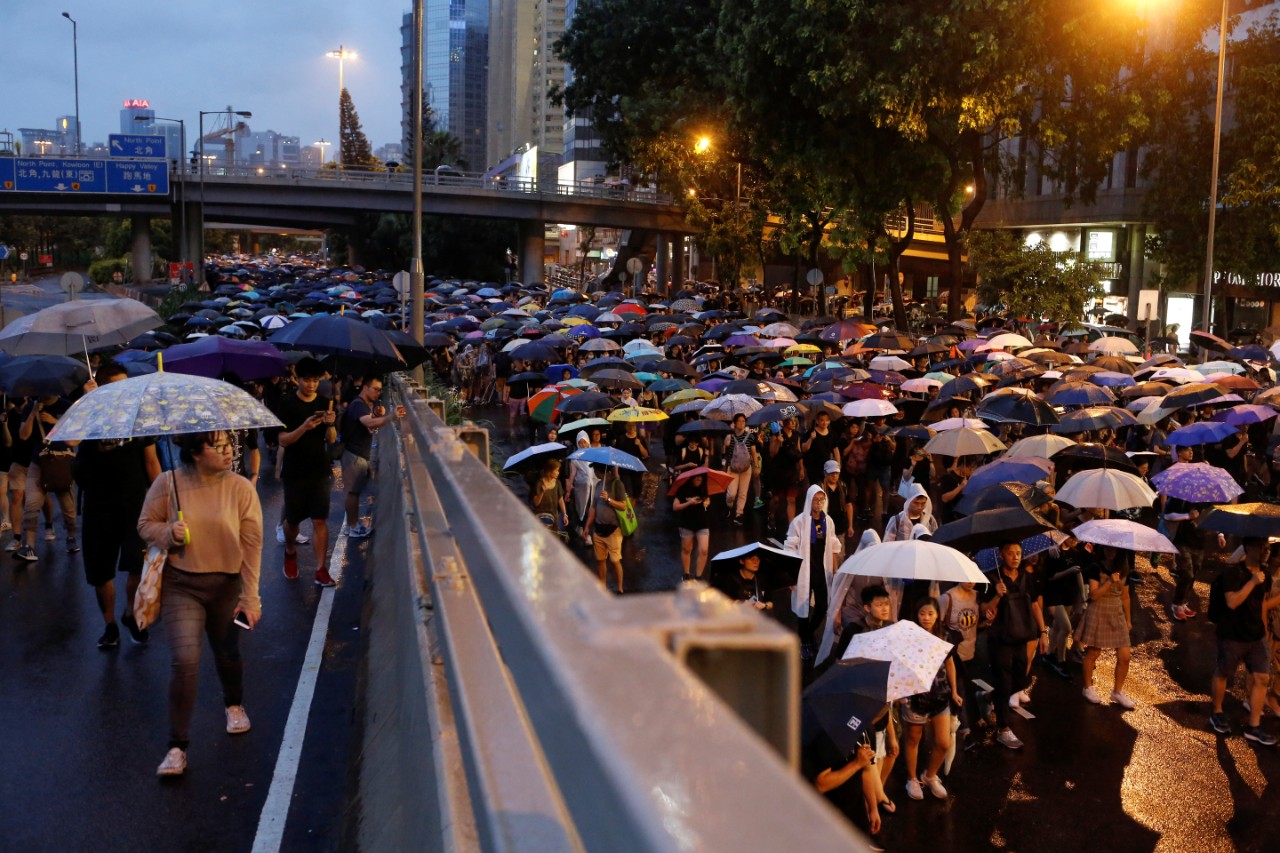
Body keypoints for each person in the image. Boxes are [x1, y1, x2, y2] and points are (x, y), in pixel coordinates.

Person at [139, 430, 263, 777]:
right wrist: (168, 533)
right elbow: (145, 524)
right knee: (184, 659)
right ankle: (176, 746)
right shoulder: (168, 483)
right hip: (182, 585)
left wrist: (250, 596)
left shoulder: (241, 488)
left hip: (226, 585)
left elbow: (252, 546)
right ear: (195, 452)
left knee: (228, 654)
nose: (228, 452)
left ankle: (234, 704)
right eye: (219, 446)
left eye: (230, 445)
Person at [76, 361, 162, 648]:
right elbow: (71, 439)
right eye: (115, 386)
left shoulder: (138, 417)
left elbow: (151, 460)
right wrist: (86, 402)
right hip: (98, 507)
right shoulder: (88, 415)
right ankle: (110, 624)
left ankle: (129, 613)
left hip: (135, 504)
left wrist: (166, 495)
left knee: (137, 564)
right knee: (100, 572)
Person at [274, 357, 338, 587]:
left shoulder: (325, 402)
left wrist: (330, 424)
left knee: (320, 520)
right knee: (292, 522)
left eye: (315, 380)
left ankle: (321, 569)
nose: (311, 385)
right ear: (297, 379)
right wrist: (304, 427)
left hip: (320, 470)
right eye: (307, 380)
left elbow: (331, 441)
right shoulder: (287, 404)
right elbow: (282, 440)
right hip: (295, 471)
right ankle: (290, 551)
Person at [1208, 537, 1279, 745]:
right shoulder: (1232, 572)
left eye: (1267, 546)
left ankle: (1254, 726)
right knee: (1223, 673)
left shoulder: (1265, 573)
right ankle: (1217, 712)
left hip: (1256, 636)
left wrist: (1264, 630)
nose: (1266, 550)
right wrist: (1252, 582)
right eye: (1261, 546)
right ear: (1248, 548)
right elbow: (1232, 602)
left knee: (1262, 679)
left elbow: (1262, 604)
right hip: (1232, 635)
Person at [981, 541, 1050, 749]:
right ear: (1002, 555)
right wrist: (997, 595)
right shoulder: (992, 578)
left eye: (1018, 553)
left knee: (1020, 680)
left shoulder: (1026, 577)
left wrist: (1043, 632)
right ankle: (1003, 729)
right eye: (1010, 553)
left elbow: (1035, 605)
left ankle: (987, 696)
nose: (1015, 557)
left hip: (1021, 635)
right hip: (1000, 638)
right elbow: (984, 608)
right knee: (1004, 681)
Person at [899, 597, 960, 801]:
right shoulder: (909, 638)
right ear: (916, 615)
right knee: (913, 740)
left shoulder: (943, 636)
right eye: (922, 614)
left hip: (940, 695)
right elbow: (900, 667)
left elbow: (950, 664)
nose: (926, 618)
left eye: (930, 614)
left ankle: (930, 775)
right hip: (916, 697)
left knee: (943, 742)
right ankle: (912, 778)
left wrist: (954, 691)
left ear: (937, 615)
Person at [14, 393, 77, 562]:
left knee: (67, 506)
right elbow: (23, 435)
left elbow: (75, 439)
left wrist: (55, 422)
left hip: (61, 460)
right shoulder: (31, 407)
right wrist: (33, 414)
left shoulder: (66, 406)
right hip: (38, 461)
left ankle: (71, 536)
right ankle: (29, 546)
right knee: (31, 503)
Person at [340, 377, 403, 538]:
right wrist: (390, 417)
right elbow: (369, 423)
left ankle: (350, 525)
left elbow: (368, 422)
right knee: (352, 492)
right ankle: (353, 526)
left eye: (380, 390)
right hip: (354, 454)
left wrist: (376, 413)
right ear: (365, 388)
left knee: (357, 490)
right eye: (375, 389)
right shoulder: (358, 405)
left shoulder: (363, 405)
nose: (378, 392)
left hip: (359, 453)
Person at [785, 484, 842, 657]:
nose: (818, 503)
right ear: (809, 501)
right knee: (803, 607)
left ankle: (808, 634)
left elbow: (833, 546)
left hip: (821, 571)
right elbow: (790, 548)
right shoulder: (800, 522)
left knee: (823, 605)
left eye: (821, 499)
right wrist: (791, 575)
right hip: (804, 571)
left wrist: (835, 569)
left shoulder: (828, 521)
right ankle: (805, 641)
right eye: (816, 500)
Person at [1078, 545, 1136, 709]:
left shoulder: (1124, 570)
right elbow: (1094, 595)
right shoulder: (1095, 567)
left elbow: (1125, 597)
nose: (1110, 552)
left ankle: (1117, 692)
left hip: (1116, 612)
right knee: (1094, 652)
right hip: (1099, 611)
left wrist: (1128, 620)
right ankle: (1088, 687)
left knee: (1125, 656)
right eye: (1107, 549)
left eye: (1113, 549)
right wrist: (1110, 581)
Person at [586, 466, 628, 593]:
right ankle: (602, 587)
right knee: (600, 560)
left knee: (615, 560)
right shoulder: (599, 485)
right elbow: (593, 507)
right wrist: (587, 526)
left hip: (613, 531)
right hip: (598, 530)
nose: (595, 472)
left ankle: (620, 588)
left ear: (606, 472)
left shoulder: (618, 484)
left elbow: (623, 506)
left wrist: (609, 499)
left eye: (597, 470)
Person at [673, 471, 711, 581]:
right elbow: (675, 507)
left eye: (701, 477)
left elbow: (708, 501)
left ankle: (698, 576)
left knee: (704, 550)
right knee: (686, 549)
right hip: (687, 523)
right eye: (696, 477)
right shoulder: (683, 489)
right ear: (691, 478)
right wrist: (689, 503)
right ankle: (686, 574)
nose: (699, 479)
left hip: (702, 523)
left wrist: (707, 503)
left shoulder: (704, 489)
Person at [722, 413, 757, 526]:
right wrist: (727, 441)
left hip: (746, 468)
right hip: (733, 468)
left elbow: (754, 453)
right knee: (731, 493)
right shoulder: (730, 436)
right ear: (735, 423)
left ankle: (739, 514)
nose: (741, 423)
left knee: (743, 493)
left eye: (743, 421)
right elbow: (725, 449)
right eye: (739, 421)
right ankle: (728, 506)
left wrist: (756, 466)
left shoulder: (750, 437)